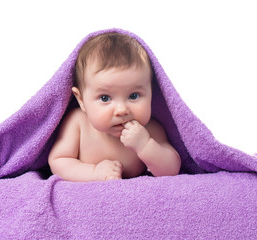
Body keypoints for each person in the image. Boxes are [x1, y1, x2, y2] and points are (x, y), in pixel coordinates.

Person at [48, 32, 181, 181]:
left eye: (134, 96)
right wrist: (94, 173)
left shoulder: (150, 130)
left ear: (152, 93)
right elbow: (58, 161)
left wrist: (145, 146)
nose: (122, 110)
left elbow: (172, 170)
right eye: (105, 98)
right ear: (81, 100)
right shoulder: (78, 123)